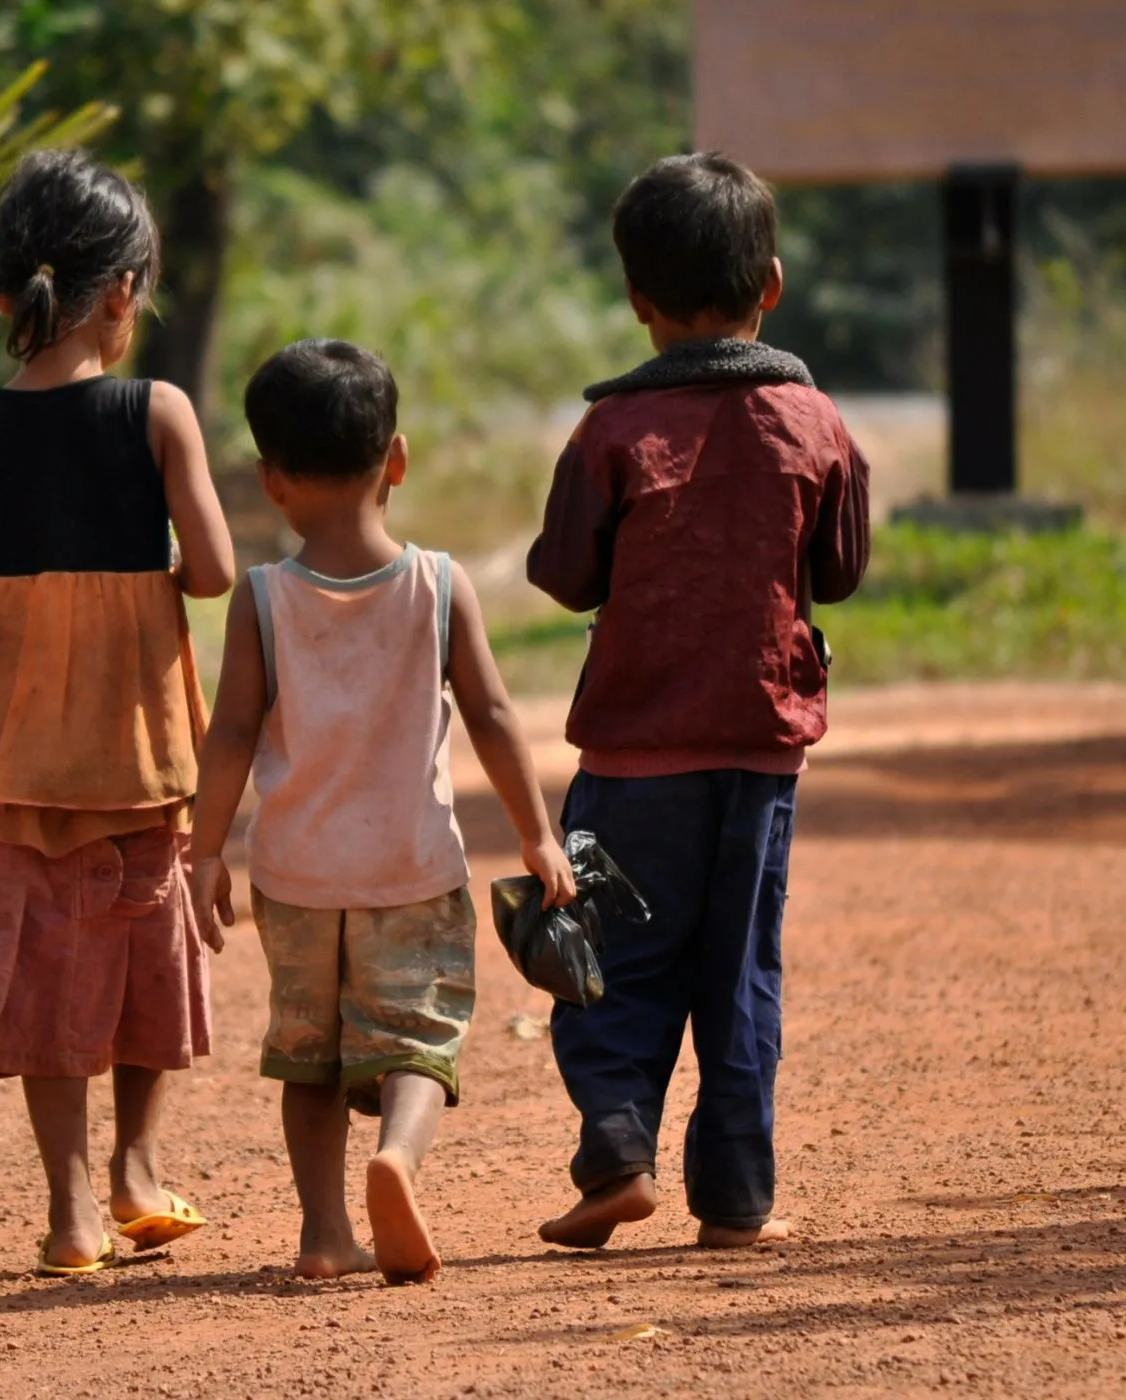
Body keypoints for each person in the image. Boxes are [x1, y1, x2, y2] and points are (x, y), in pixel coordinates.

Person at [0, 150, 236, 1279]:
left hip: (8, 753)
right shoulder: (156, 411)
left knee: (38, 952)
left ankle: (70, 1208)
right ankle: (138, 1166)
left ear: (7, 291)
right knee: (140, 937)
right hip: (135, 742)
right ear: (122, 292)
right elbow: (215, 570)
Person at [524, 152, 870, 1251]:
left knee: (611, 953)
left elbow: (568, 573)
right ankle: (736, 1199)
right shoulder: (814, 422)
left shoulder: (609, 435)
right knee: (739, 968)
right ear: (769, 284)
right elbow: (844, 566)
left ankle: (617, 1147)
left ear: (637, 301)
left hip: (632, 754)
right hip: (761, 751)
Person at [187, 340, 575, 1285]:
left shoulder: (262, 600)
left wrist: (203, 856)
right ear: (395, 461)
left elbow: (231, 733)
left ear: (272, 482)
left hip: (296, 876)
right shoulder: (440, 586)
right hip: (411, 867)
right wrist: (537, 833)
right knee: (418, 1037)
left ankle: (324, 1233)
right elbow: (488, 713)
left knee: (308, 1059)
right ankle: (398, 1157)